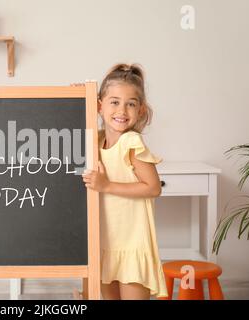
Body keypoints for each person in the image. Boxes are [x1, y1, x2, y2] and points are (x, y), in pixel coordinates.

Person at [82, 63, 168, 300]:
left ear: (140, 110)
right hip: (105, 242)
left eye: (131, 103)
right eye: (114, 102)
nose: (122, 110)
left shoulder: (132, 143)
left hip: (132, 245)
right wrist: (81, 96)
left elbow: (152, 187)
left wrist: (106, 186)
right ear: (99, 105)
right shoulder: (95, 141)